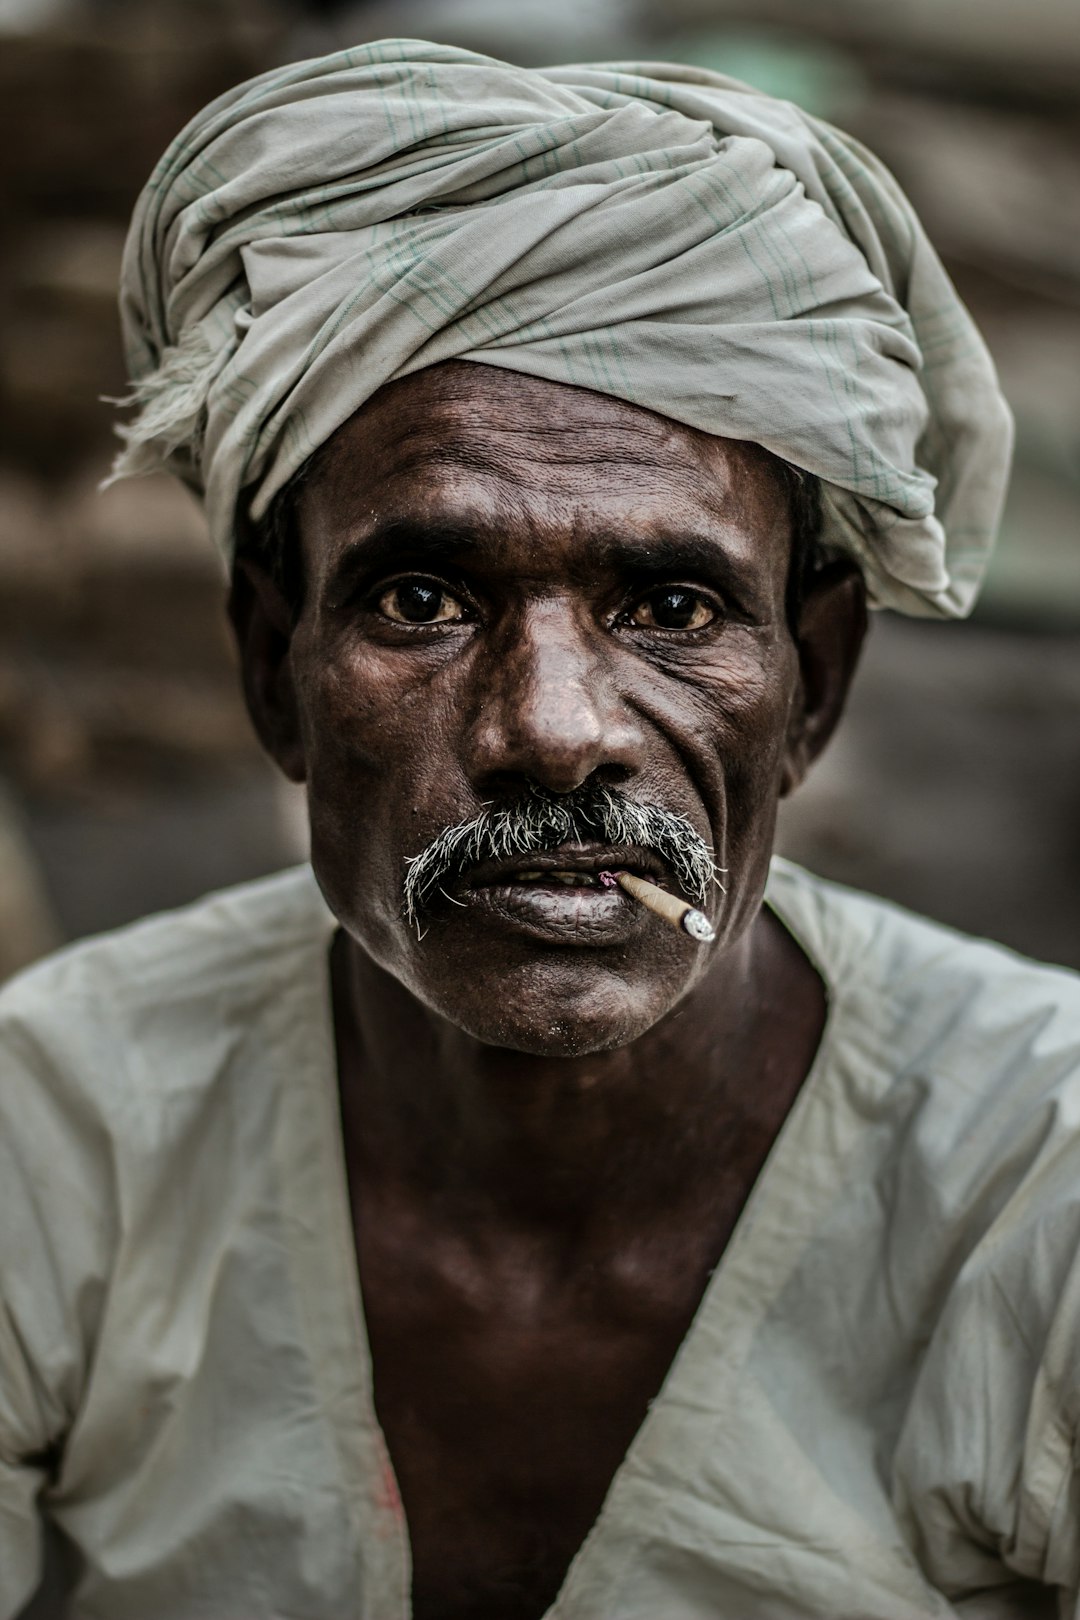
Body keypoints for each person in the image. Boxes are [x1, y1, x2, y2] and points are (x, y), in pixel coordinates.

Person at [1, 37, 1077, 1620]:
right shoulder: (61, 1128)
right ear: (271, 669)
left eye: (672, 604)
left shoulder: (1040, 1175)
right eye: (423, 599)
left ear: (817, 685)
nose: (553, 730)